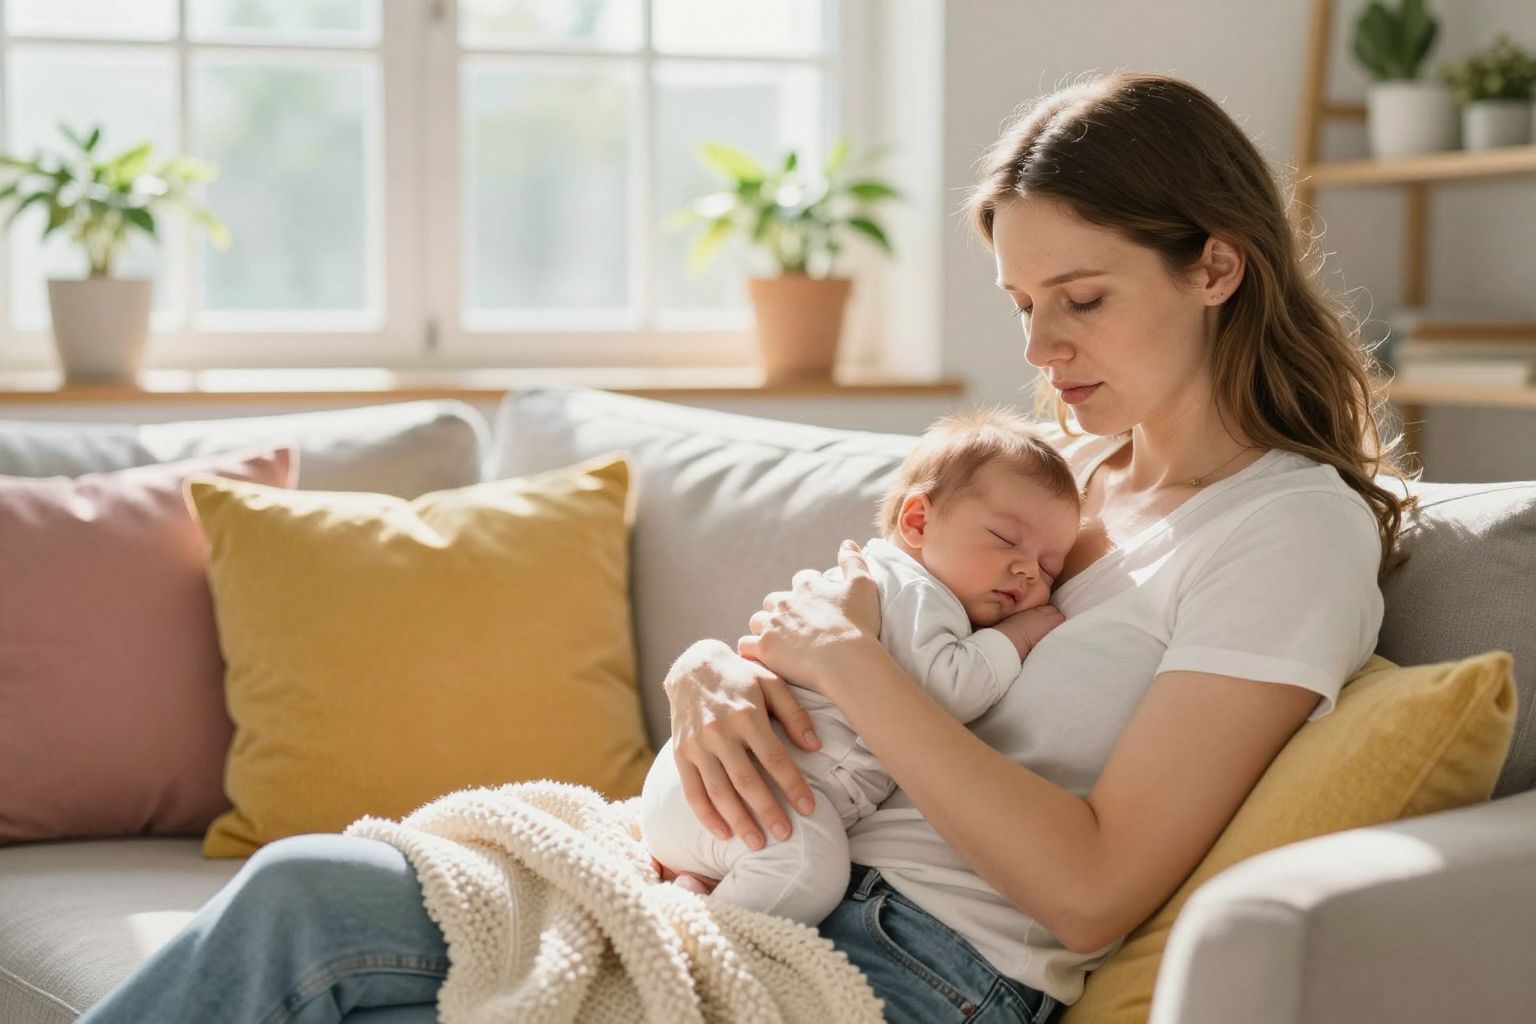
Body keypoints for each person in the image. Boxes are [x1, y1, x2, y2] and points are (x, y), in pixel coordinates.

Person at [77, 70, 1412, 1024]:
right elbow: (859, 623)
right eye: (1020, 303)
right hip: (763, 869)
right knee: (311, 886)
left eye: (1082, 299)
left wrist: (856, 672)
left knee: (308, 919)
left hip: (906, 969)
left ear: (1216, 268)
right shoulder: (1059, 483)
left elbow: (1091, 891)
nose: (1040, 347)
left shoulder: (1289, 530)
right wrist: (711, 677)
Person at [638, 406, 1082, 926]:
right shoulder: (913, 589)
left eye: (1049, 567)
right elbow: (949, 690)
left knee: (792, 853)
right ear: (917, 522)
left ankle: (698, 889)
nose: (1028, 570)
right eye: (1006, 539)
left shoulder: (895, 591)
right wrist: (1017, 636)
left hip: (707, 789)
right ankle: (695, 931)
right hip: (734, 785)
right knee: (806, 870)